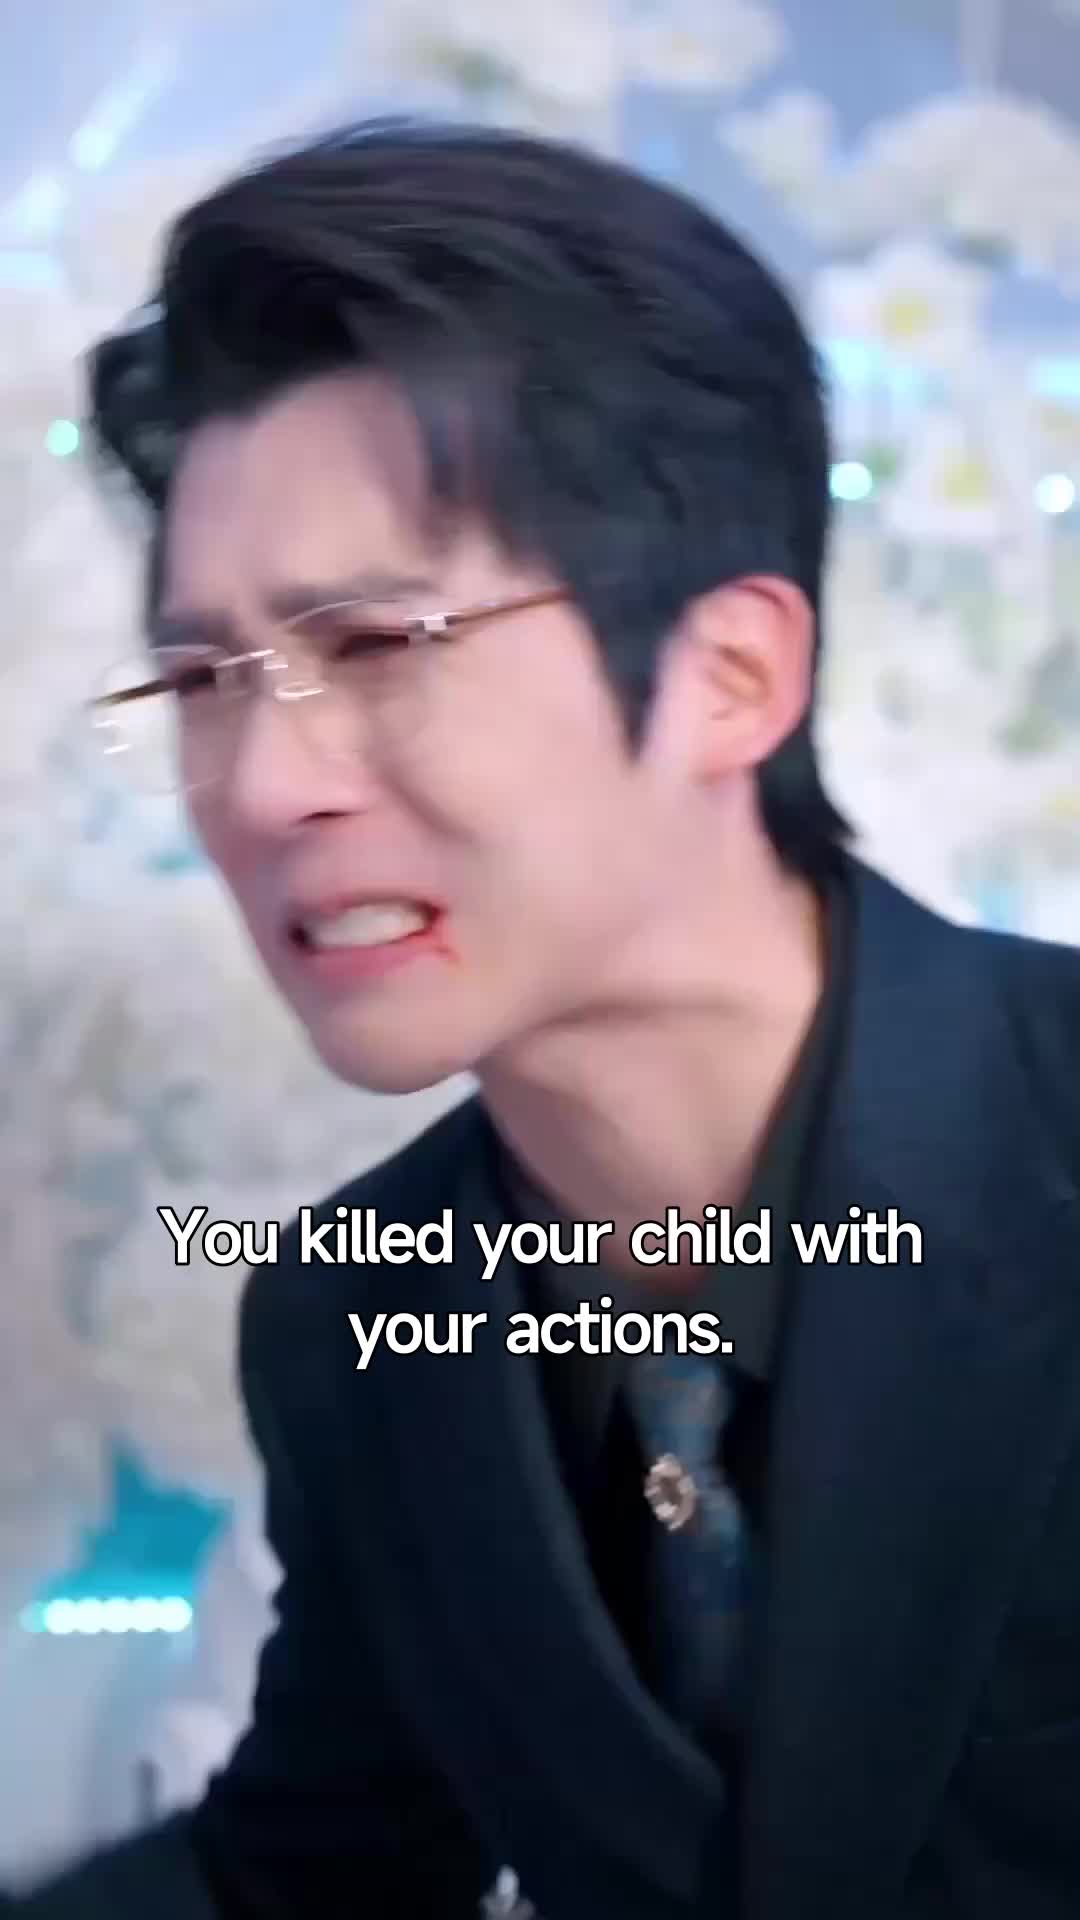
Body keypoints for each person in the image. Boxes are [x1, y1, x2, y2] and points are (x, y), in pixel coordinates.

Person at [9, 118, 1080, 1920]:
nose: (259, 783)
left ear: (732, 674)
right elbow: (309, 1876)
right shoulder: (357, 1318)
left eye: (374, 647)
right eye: (201, 680)